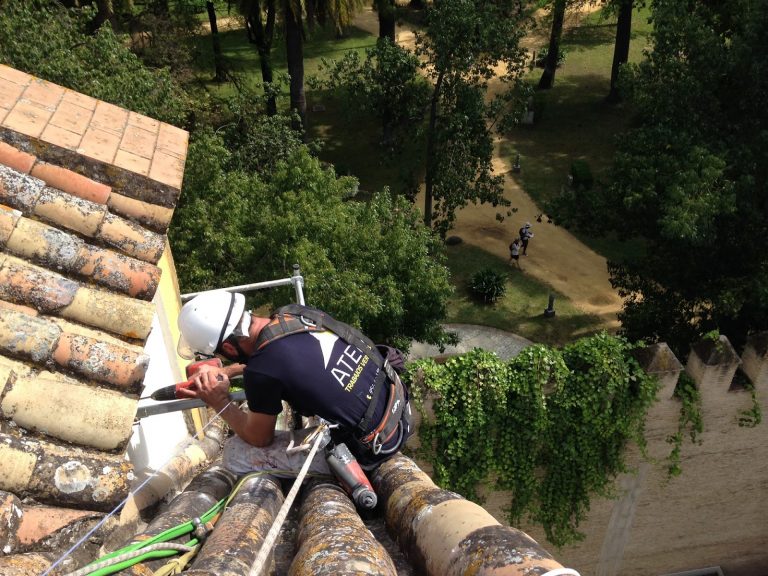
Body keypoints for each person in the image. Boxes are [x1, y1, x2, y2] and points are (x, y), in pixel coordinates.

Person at [175, 291, 412, 478]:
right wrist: (228, 371)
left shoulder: (262, 369)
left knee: (235, 452)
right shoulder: (295, 314)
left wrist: (219, 401)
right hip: (398, 408)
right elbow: (288, 363)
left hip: (373, 447)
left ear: (227, 347)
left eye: (225, 355)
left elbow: (259, 438)